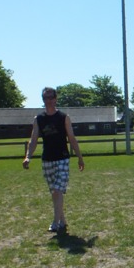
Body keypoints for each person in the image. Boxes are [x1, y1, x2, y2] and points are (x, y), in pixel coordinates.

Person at [23, 87, 85, 232]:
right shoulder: (38, 119)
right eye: (46, 98)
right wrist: (27, 157)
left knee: (57, 191)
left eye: (51, 97)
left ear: (56, 99)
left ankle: (55, 222)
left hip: (62, 159)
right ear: (43, 100)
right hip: (47, 160)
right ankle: (62, 221)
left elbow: (72, 138)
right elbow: (33, 140)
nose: (49, 101)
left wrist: (80, 158)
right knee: (55, 193)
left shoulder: (64, 117)